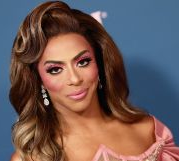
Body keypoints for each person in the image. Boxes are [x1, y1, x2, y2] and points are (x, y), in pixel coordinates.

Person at [9, 1, 179, 161]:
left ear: (99, 63)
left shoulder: (149, 130)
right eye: (55, 69)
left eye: (83, 62)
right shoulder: (32, 158)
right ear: (39, 80)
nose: (75, 79)